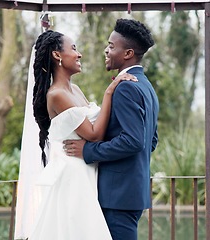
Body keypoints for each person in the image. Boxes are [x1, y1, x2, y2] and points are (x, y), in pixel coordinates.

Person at [15, 29, 136, 240]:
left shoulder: (76, 89)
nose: (79, 54)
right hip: (74, 174)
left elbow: (97, 125)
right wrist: (109, 91)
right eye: (73, 48)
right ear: (57, 55)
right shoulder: (57, 95)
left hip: (87, 169)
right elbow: (95, 134)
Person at [63, 18, 159, 240]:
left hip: (118, 196)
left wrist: (88, 150)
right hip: (130, 192)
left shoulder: (126, 88)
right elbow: (150, 141)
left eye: (111, 46)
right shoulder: (146, 86)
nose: (106, 50)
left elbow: (134, 141)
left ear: (128, 54)